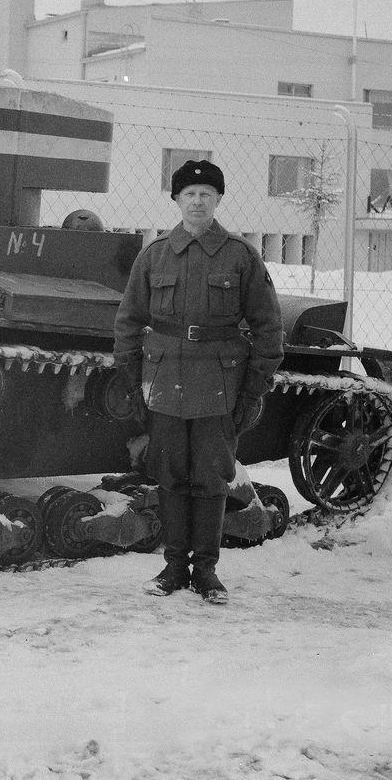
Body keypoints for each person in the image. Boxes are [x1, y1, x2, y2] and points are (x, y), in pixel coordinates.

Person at [113, 159, 283, 605]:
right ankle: (173, 567)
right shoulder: (154, 255)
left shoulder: (240, 256)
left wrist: (254, 389)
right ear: (176, 200)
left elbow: (268, 328)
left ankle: (206, 571)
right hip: (165, 380)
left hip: (219, 385)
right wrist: (133, 381)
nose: (197, 201)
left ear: (218, 199)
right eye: (189, 194)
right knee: (169, 473)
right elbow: (128, 321)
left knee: (211, 475)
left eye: (206, 194)